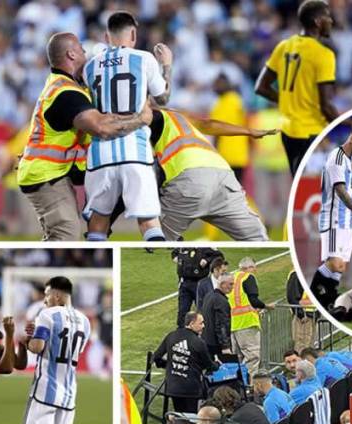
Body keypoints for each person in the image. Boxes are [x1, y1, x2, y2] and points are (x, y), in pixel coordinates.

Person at [17, 32, 153, 241]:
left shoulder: (62, 86)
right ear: (71, 54)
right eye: (81, 49)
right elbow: (101, 127)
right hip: (47, 175)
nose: (86, 54)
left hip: (54, 171)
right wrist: (140, 120)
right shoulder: (67, 94)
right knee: (66, 233)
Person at [81, 11, 173, 242]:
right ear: (133, 33)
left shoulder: (89, 67)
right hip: (135, 151)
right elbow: (162, 99)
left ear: (106, 36)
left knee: (99, 221)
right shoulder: (144, 59)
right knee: (148, 220)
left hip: (100, 154)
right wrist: (167, 66)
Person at [148, 108, 273, 241]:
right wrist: (248, 131)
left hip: (190, 178)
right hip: (224, 175)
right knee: (258, 241)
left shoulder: (150, 116)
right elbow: (207, 124)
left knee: (157, 240)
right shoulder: (178, 118)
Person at [22, 276, 90, 424]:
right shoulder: (85, 321)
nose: (44, 299)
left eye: (47, 294)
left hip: (45, 388)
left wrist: (27, 340)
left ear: (58, 296)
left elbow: (39, 348)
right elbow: (76, 352)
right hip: (69, 390)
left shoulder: (47, 315)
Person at [255, 0, 338, 175]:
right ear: (317, 21)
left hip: (288, 130)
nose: (331, 21)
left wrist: (288, 100)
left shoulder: (283, 46)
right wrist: (350, 124)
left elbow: (261, 87)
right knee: (314, 185)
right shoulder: (324, 54)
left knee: (298, 183)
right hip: (310, 130)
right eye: (327, 17)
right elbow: (325, 106)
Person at [309, 124, 352, 307]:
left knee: (341, 267)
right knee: (334, 264)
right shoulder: (336, 159)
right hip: (333, 218)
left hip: (346, 220)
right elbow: (339, 189)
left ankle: (328, 300)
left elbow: (351, 191)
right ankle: (316, 297)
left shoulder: (351, 160)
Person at [153, 312, 215, 413]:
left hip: (173, 387)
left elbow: (156, 357)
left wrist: (167, 365)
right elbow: (209, 365)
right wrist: (216, 364)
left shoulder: (172, 335)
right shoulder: (198, 342)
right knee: (191, 417)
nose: (203, 326)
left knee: (179, 414)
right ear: (191, 324)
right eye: (201, 323)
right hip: (191, 389)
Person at [228, 257, 274, 376]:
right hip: (247, 324)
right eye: (254, 267)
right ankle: (252, 388)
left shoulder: (232, 278)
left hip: (233, 325)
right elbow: (253, 300)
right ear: (248, 268)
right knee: (252, 359)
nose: (255, 271)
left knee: (236, 360)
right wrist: (266, 306)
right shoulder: (248, 277)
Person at [173, 248, 220, 328]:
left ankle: (204, 329)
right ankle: (181, 331)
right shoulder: (183, 245)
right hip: (184, 283)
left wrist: (207, 260)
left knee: (201, 309)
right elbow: (174, 252)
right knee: (182, 310)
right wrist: (175, 257)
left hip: (199, 282)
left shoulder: (206, 247)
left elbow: (219, 256)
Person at [200, 273, 233, 357]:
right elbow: (222, 325)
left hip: (206, 340)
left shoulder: (208, 296)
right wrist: (225, 346)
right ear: (222, 284)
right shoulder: (221, 301)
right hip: (216, 344)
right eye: (230, 284)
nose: (232, 287)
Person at [286, 271, 316, 353]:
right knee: (302, 345)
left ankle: (307, 364)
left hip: (311, 315)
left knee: (309, 345)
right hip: (303, 317)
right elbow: (292, 298)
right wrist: (301, 314)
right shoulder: (296, 274)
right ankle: (301, 364)